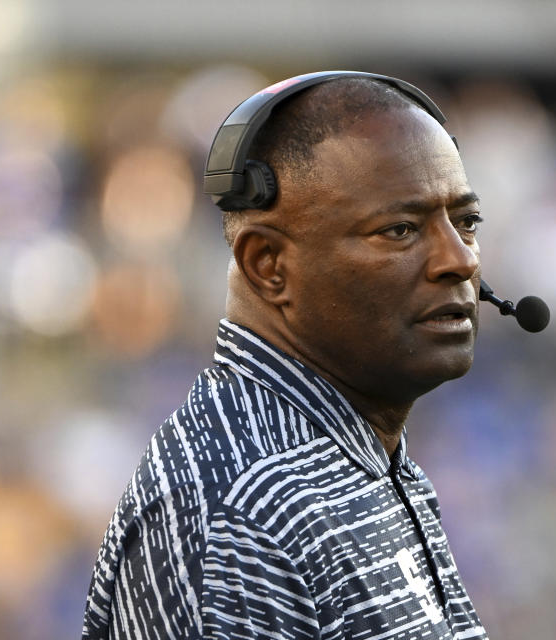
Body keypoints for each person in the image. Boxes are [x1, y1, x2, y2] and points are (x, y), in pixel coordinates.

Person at [82, 72, 488, 639]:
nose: (459, 260)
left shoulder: (364, 462)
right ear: (268, 265)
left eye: (466, 222)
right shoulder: (241, 510)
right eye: (399, 229)